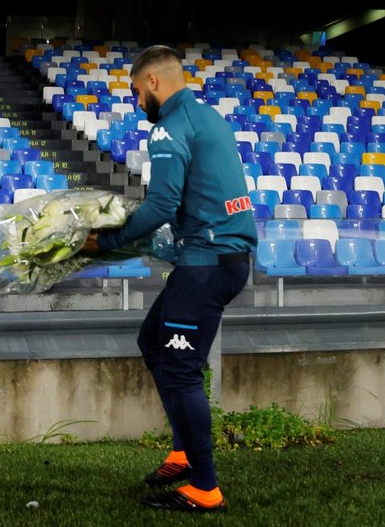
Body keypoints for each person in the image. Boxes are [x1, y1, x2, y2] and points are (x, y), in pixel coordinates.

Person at [82, 45, 256, 513]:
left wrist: (105, 243)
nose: (138, 103)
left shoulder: (170, 128)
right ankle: (182, 450)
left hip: (208, 263)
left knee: (180, 371)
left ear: (154, 83)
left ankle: (205, 488)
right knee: (153, 342)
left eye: (138, 92)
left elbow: (160, 205)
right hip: (218, 257)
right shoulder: (208, 117)